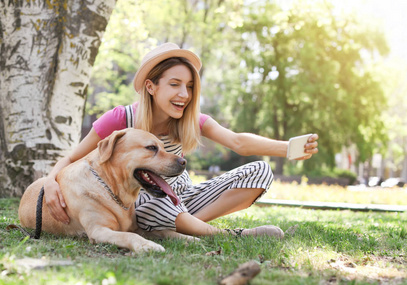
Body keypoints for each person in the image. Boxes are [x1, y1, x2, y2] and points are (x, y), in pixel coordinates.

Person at [44, 43, 319, 238]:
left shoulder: (190, 119)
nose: (184, 94)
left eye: (189, 86)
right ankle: (229, 235)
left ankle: (185, 227)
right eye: (175, 84)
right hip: (142, 202)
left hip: (181, 199)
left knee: (260, 171)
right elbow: (71, 158)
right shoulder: (120, 119)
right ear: (152, 87)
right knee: (154, 204)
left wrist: (289, 148)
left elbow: (238, 142)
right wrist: (49, 182)